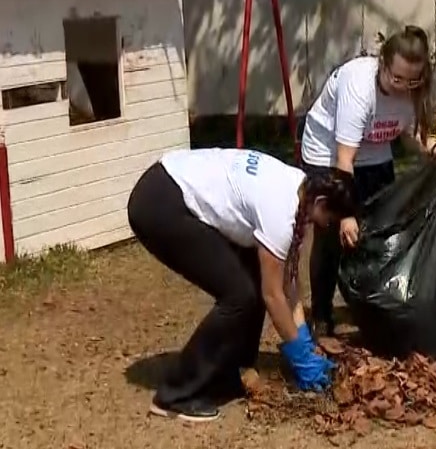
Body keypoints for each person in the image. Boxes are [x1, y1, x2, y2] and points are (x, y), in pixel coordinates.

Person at [127, 147, 356, 422]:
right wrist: (299, 355)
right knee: (239, 295)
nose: (328, 225)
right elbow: (274, 296)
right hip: (160, 202)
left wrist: (304, 339)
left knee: (251, 280)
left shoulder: (300, 191)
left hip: (170, 187)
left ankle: (229, 372)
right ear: (320, 201)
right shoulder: (280, 210)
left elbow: (289, 281)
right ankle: (175, 395)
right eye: (330, 218)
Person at [300, 25, 436, 336]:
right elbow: (344, 161)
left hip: (374, 151)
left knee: (382, 228)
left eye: (411, 80)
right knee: (333, 234)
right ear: (382, 64)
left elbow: (411, 130)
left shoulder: (412, 89)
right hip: (328, 154)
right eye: (395, 78)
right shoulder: (359, 88)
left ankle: (372, 305)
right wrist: (345, 213)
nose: (402, 86)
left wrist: (435, 147)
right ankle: (321, 313)